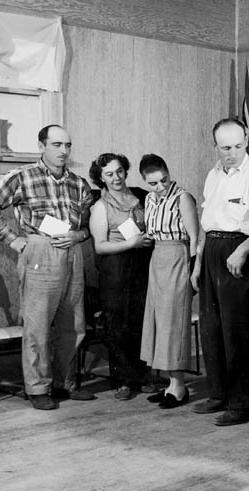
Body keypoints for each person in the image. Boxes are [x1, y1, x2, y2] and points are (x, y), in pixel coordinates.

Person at [0, 124, 96, 410]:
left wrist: (79, 235)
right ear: (41, 146)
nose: (63, 151)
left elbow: (87, 225)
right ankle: (37, 387)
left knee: (74, 324)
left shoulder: (78, 183)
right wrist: (14, 240)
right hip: (40, 252)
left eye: (67, 145)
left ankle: (64, 383)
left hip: (73, 252)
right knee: (38, 325)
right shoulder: (22, 176)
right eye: (57, 145)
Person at [190, 118, 249, 426]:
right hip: (213, 250)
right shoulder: (213, 174)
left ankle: (243, 405)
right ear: (214, 145)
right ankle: (219, 395)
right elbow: (208, 224)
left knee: (239, 333)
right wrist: (200, 262)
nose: (232, 153)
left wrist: (242, 251)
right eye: (225, 147)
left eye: (238, 146)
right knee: (212, 328)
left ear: (246, 142)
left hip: (242, 250)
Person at [87, 153, 153, 400]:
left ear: (126, 171)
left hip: (142, 264)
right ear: (101, 178)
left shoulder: (141, 197)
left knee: (141, 321)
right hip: (115, 266)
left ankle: (144, 376)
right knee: (117, 324)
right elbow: (100, 246)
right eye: (109, 174)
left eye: (119, 171)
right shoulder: (100, 206)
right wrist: (131, 243)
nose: (116, 177)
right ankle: (123, 381)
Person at [139, 154, 199, 409]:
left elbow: (195, 238)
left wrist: (194, 271)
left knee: (174, 321)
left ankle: (179, 386)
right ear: (144, 181)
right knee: (159, 322)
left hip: (178, 256)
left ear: (168, 172)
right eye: (153, 183)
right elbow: (152, 231)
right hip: (157, 258)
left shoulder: (182, 197)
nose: (160, 187)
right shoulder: (149, 199)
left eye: (164, 180)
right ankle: (169, 383)